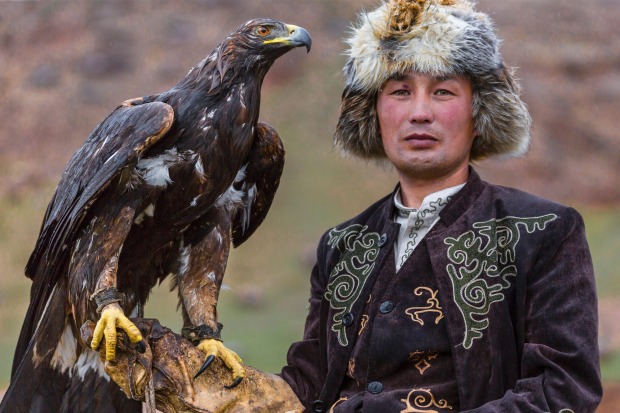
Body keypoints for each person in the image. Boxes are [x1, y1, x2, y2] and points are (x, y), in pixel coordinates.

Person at [278, 0, 602, 412]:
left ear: (478, 112)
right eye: (399, 91)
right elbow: (306, 385)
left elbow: (563, 389)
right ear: (375, 112)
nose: (419, 113)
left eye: (443, 91)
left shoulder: (545, 232)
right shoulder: (340, 245)